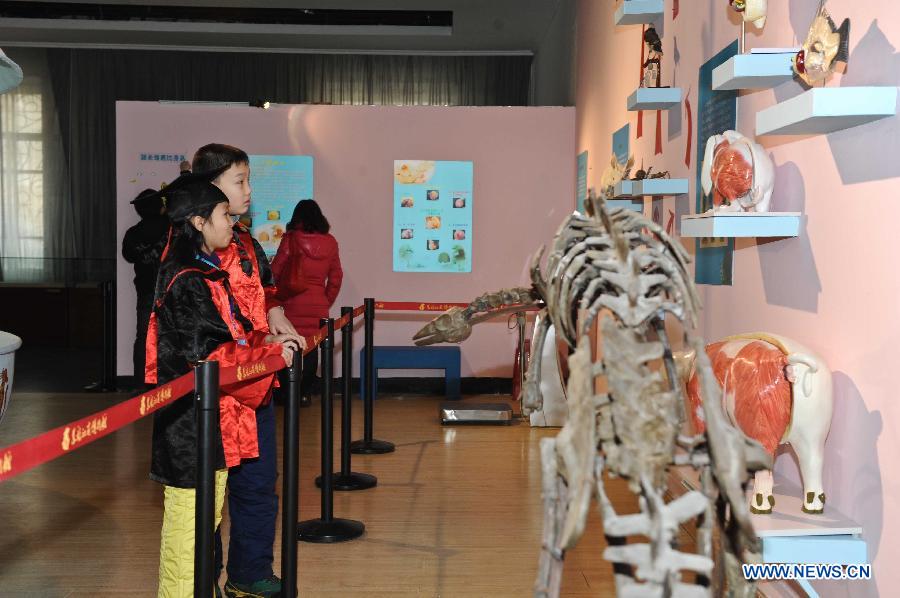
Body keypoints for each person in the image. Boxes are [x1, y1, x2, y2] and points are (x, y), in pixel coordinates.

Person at [143, 171, 299, 598]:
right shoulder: (188, 278)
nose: (231, 223)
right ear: (198, 222)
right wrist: (271, 358)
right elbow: (211, 356)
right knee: (188, 532)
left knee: (204, 519)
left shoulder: (204, 270)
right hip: (190, 425)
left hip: (212, 420)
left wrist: (266, 342)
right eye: (222, 214)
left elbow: (230, 338)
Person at [192, 143, 301, 598]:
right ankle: (204, 582)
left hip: (255, 386)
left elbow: (266, 295)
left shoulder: (249, 243)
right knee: (208, 496)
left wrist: (279, 323)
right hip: (211, 398)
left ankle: (249, 573)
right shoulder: (187, 253)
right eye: (240, 182)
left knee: (258, 487)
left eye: (249, 180)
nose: (249, 191)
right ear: (210, 188)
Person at [271, 199, 343, 406]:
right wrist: (325, 301)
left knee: (289, 345)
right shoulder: (331, 242)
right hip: (318, 304)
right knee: (310, 349)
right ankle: (303, 394)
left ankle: (287, 394)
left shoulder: (291, 239)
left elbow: (275, 271)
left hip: (292, 302)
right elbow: (336, 277)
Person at [122, 188, 169, 391]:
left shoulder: (133, 233)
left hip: (146, 292)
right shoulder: (171, 229)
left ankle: (141, 384)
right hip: (171, 291)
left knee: (143, 338)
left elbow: (128, 256)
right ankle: (169, 383)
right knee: (171, 338)